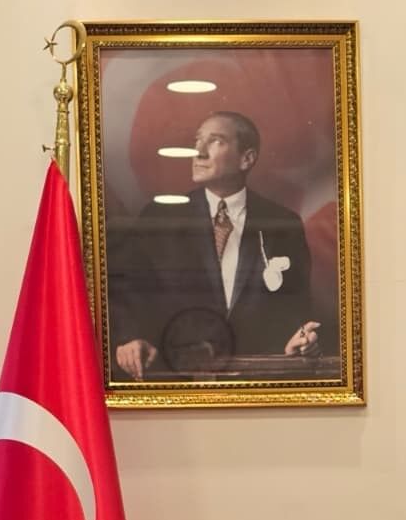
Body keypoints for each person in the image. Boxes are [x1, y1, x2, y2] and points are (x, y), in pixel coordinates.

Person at [109, 111, 324, 380]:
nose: (198, 152)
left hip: (257, 382)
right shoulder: (160, 218)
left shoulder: (282, 223)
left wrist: (298, 339)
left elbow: (295, 305)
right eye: (197, 141)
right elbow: (131, 293)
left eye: (215, 141)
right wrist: (131, 338)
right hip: (180, 379)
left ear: (247, 159)